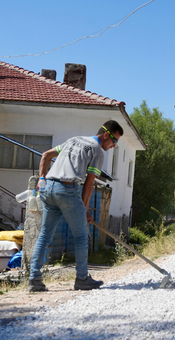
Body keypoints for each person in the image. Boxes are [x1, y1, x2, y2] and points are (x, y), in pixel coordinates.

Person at [28, 120, 123, 292]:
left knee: (44, 235)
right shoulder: (98, 152)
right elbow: (88, 185)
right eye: (114, 141)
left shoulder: (73, 140)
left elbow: (45, 156)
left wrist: (41, 179)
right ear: (106, 135)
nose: (113, 146)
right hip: (67, 190)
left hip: (48, 188)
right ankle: (82, 279)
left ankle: (34, 279)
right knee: (81, 236)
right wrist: (85, 210)